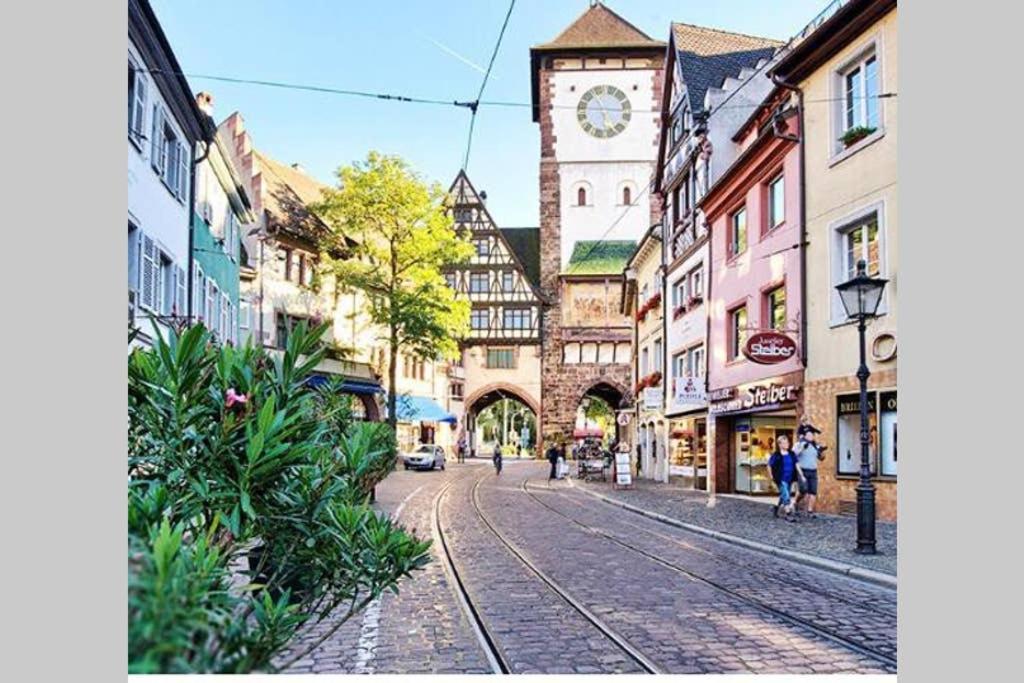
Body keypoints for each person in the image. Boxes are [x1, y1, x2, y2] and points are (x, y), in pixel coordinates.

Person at [768, 434, 801, 522]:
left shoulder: (791, 454)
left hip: (789, 478)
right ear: (780, 444)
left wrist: (801, 474)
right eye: (785, 443)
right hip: (780, 479)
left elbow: (796, 464)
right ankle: (788, 514)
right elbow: (769, 465)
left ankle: (776, 508)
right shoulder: (776, 455)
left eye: (788, 442)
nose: (787, 444)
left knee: (783, 495)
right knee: (786, 495)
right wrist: (771, 476)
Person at [794, 428, 824, 517]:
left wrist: (821, 451)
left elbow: (821, 458)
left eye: (812, 435)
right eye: (809, 435)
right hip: (802, 470)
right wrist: (802, 447)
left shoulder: (815, 446)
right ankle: (796, 502)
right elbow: (795, 454)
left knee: (813, 491)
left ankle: (810, 511)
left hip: (813, 470)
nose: (811, 437)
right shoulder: (799, 444)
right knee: (803, 490)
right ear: (805, 436)